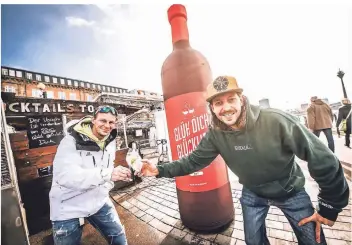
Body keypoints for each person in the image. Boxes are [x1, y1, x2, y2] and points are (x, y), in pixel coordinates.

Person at [139, 76, 349, 245]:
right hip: (253, 194)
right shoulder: (215, 135)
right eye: (218, 103)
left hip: (290, 191)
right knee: (253, 241)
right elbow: (193, 161)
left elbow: (323, 159)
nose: (226, 107)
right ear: (212, 108)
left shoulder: (275, 120)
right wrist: (159, 170)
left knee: (313, 239)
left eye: (231, 99)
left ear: (242, 99)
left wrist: (329, 206)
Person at [49, 105, 131, 245]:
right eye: (102, 121)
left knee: (118, 237)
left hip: (99, 201)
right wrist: (108, 174)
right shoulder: (70, 141)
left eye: (111, 122)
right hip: (68, 206)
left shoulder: (110, 141)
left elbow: (108, 167)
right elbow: (65, 176)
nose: (107, 126)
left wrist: (113, 179)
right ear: (93, 120)